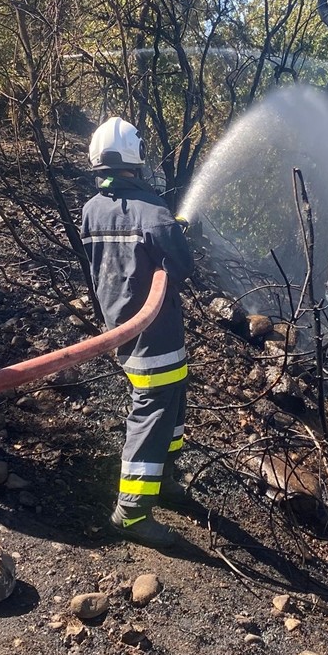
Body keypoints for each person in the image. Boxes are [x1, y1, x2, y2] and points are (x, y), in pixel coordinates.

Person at [81, 117, 195, 548]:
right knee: (152, 410)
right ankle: (131, 510)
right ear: (136, 158)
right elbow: (181, 267)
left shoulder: (92, 208)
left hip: (121, 326)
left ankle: (162, 480)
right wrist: (180, 235)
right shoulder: (154, 212)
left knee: (171, 398)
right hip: (154, 332)